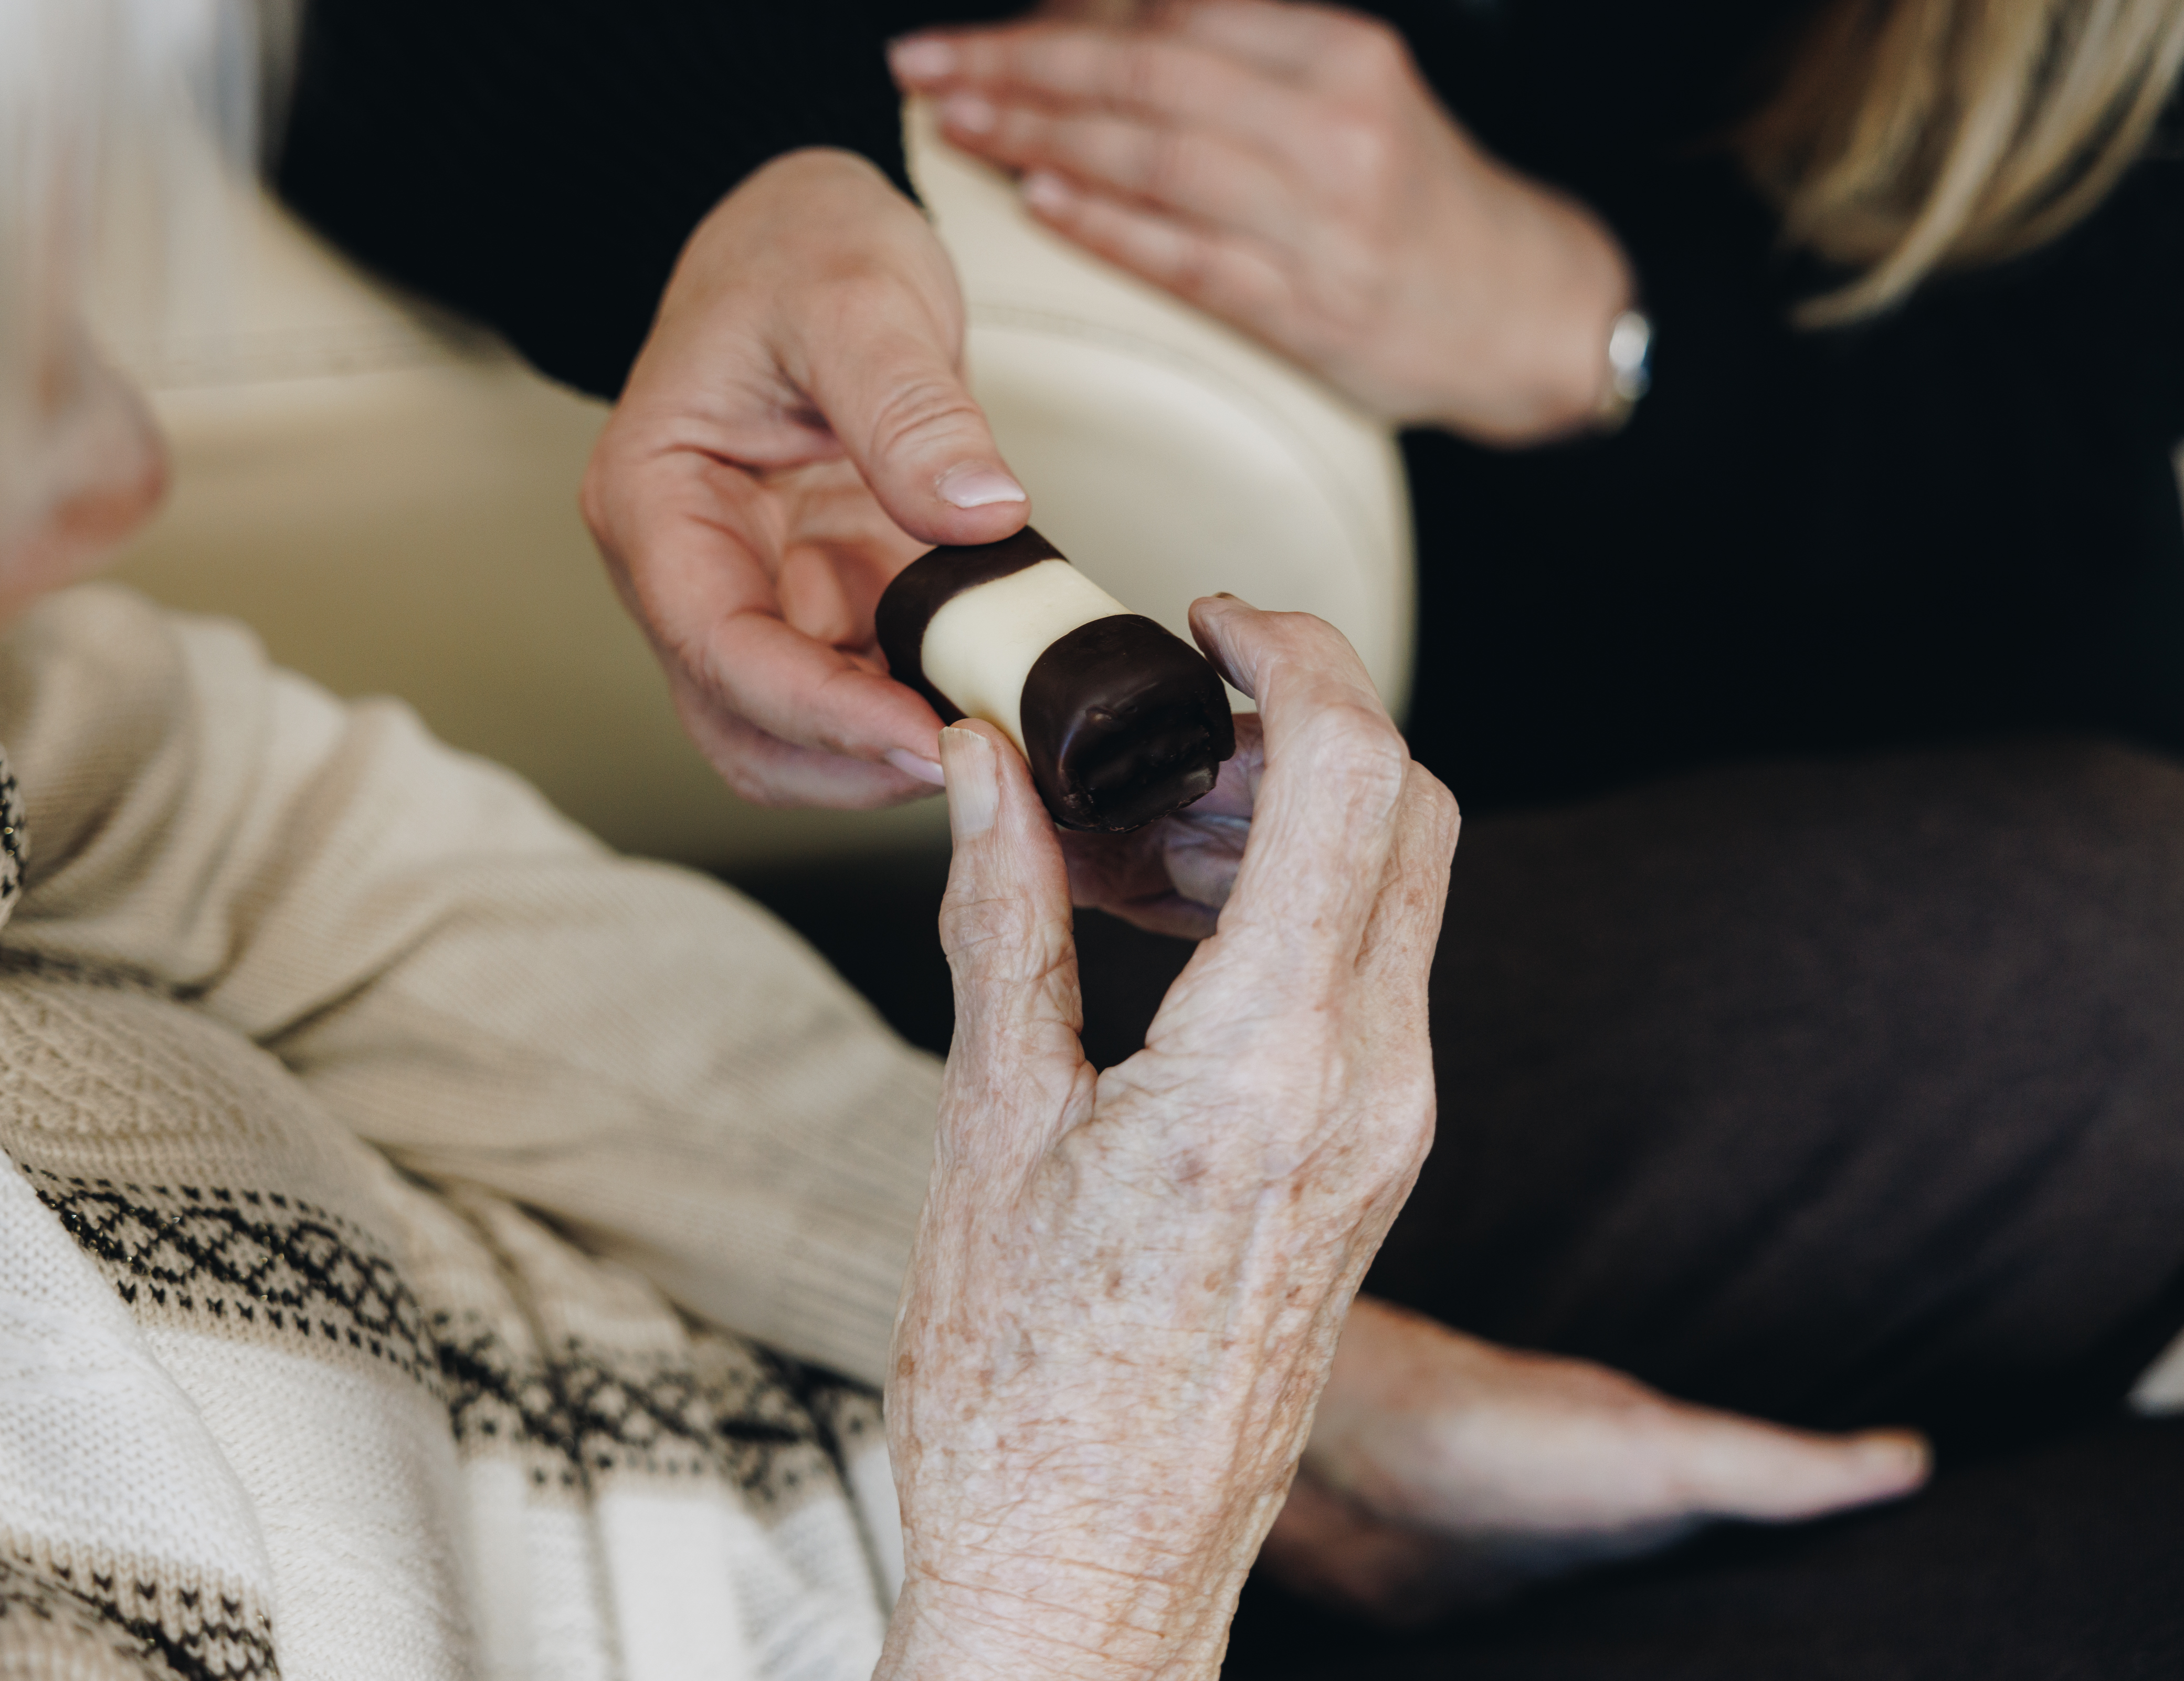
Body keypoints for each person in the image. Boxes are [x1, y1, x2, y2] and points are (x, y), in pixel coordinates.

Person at [0, 1, 1883, 1676]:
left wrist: (1246, 1387)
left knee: (2095, 946)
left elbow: (256, 836)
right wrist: (1092, 1551)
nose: (109, 482)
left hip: (738, 1337)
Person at [271, 0, 2184, 1648]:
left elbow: (2078, 504)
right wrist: (743, 181)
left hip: (1008, 1162)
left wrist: (1605, 337)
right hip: (872, 1400)